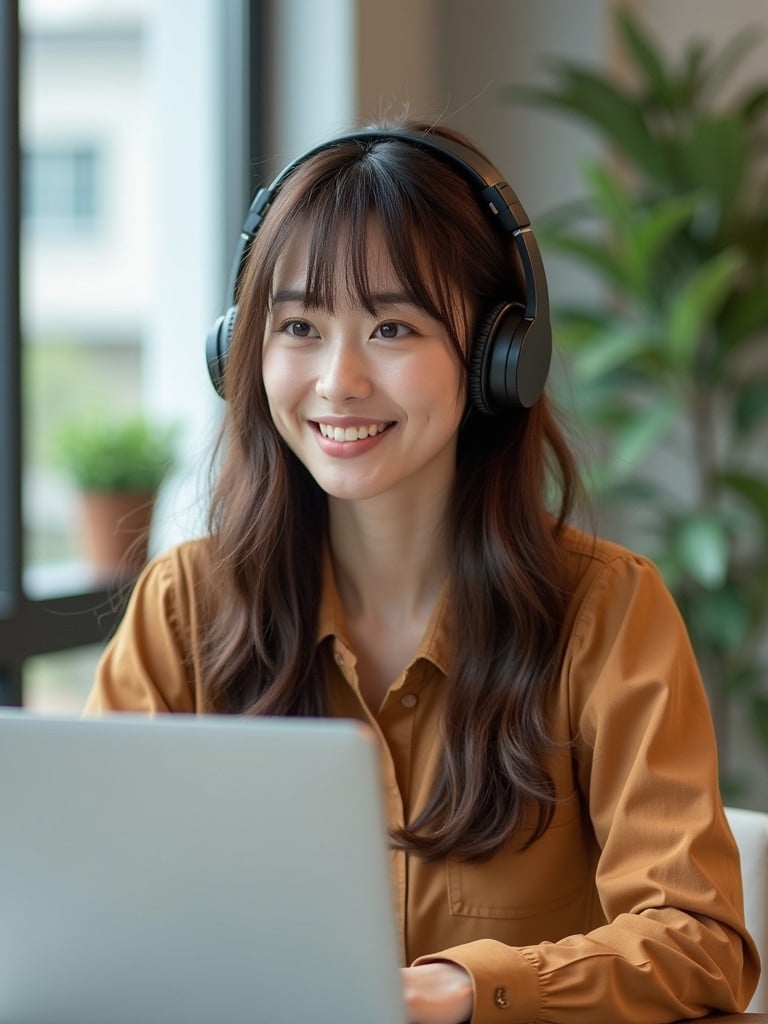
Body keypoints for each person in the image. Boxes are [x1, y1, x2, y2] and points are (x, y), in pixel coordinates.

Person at [84, 120, 759, 1024]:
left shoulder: (605, 610)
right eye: (299, 326)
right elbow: (87, 905)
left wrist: (465, 990)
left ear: (498, 358)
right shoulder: (186, 607)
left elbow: (698, 940)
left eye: (393, 327)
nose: (338, 380)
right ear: (243, 350)